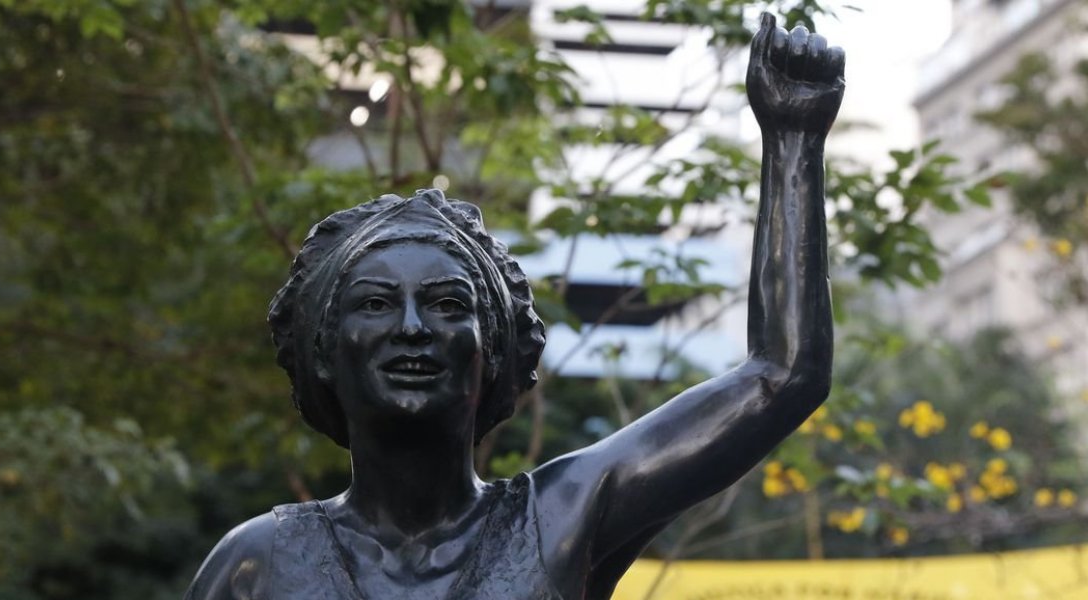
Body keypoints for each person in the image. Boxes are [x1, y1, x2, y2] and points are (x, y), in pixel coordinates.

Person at [184, 13, 843, 600]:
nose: (413, 328)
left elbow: (782, 376)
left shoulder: (561, 520)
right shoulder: (257, 567)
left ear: (491, 348)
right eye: (377, 304)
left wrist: (792, 139)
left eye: (447, 305)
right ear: (325, 351)